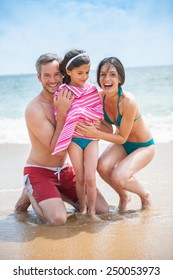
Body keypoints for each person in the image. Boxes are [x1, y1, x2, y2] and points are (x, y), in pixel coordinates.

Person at [15, 53, 109, 225]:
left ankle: (57, 193)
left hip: (64, 170)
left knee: (103, 209)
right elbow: (54, 147)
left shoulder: (72, 96)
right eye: (47, 75)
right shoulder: (34, 109)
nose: (53, 80)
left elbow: (91, 113)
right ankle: (30, 191)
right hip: (40, 171)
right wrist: (63, 112)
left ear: (64, 74)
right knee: (58, 220)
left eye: (57, 74)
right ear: (39, 77)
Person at [76, 57, 155, 213]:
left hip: (143, 146)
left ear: (120, 79)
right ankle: (124, 196)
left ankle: (145, 195)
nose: (107, 79)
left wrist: (95, 132)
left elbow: (122, 137)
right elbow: (108, 129)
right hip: (123, 143)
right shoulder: (99, 97)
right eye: (103, 74)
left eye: (112, 74)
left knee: (119, 176)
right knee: (102, 166)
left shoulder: (128, 102)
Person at [52, 49, 105, 218]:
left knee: (90, 177)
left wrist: (92, 118)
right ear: (69, 71)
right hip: (74, 139)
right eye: (80, 73)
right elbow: (59, 113)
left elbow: (98, 112)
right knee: (80, 178)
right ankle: (82, 209)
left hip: (90, 139)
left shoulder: (91, 90)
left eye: (87, 72)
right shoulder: (63, 91)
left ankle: (92, 212)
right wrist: (76, 114)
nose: (84, 76)